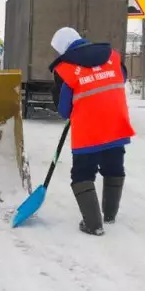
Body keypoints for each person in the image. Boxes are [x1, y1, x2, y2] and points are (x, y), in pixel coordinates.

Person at [48, 27, 135, 236]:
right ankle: (110, 215)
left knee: (82, 174)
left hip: (88, 131)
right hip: (116, 124)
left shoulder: (65, 68)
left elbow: (63, 109)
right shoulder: (113, 57)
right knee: (113, 166)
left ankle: (93, 224)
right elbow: (120, 79)